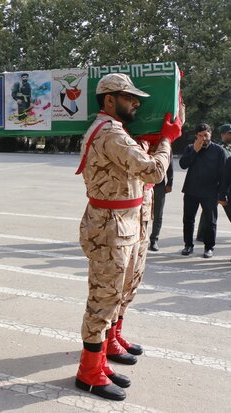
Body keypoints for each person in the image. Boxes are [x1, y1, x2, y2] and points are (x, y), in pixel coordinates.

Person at [75, 73, 181, 400]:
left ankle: (100, 359)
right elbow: (152, 171)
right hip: (109, 227)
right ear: (109, 99)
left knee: (114, 295)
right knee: (102, 300)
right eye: (129, 97)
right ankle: (88, 372)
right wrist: (166, 140)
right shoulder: (109, 132)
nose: (136, 102)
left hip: (120, 223)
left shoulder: (117, 131)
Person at [179, 123, 227, 258]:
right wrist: (195, 150)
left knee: (210, 221)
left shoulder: (219, 151)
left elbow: (224, 175)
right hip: (191, 191)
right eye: (200, 135)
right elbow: (183, 165)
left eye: (206, 135)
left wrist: (221, 193)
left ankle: (209, 247)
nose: (203, 138)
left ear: (210, 134)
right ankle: (188, 245)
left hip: (210, 192)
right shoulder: (190, 148)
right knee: (188, 219)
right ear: (196, 136)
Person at [148, 162, 173, 251]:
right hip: (143, 183)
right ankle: (139, 239)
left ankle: (154, 240)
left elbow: (169, 165)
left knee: (158, 214)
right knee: (140, 213)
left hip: (159, 185)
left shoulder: (165, 147)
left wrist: (170, 182)